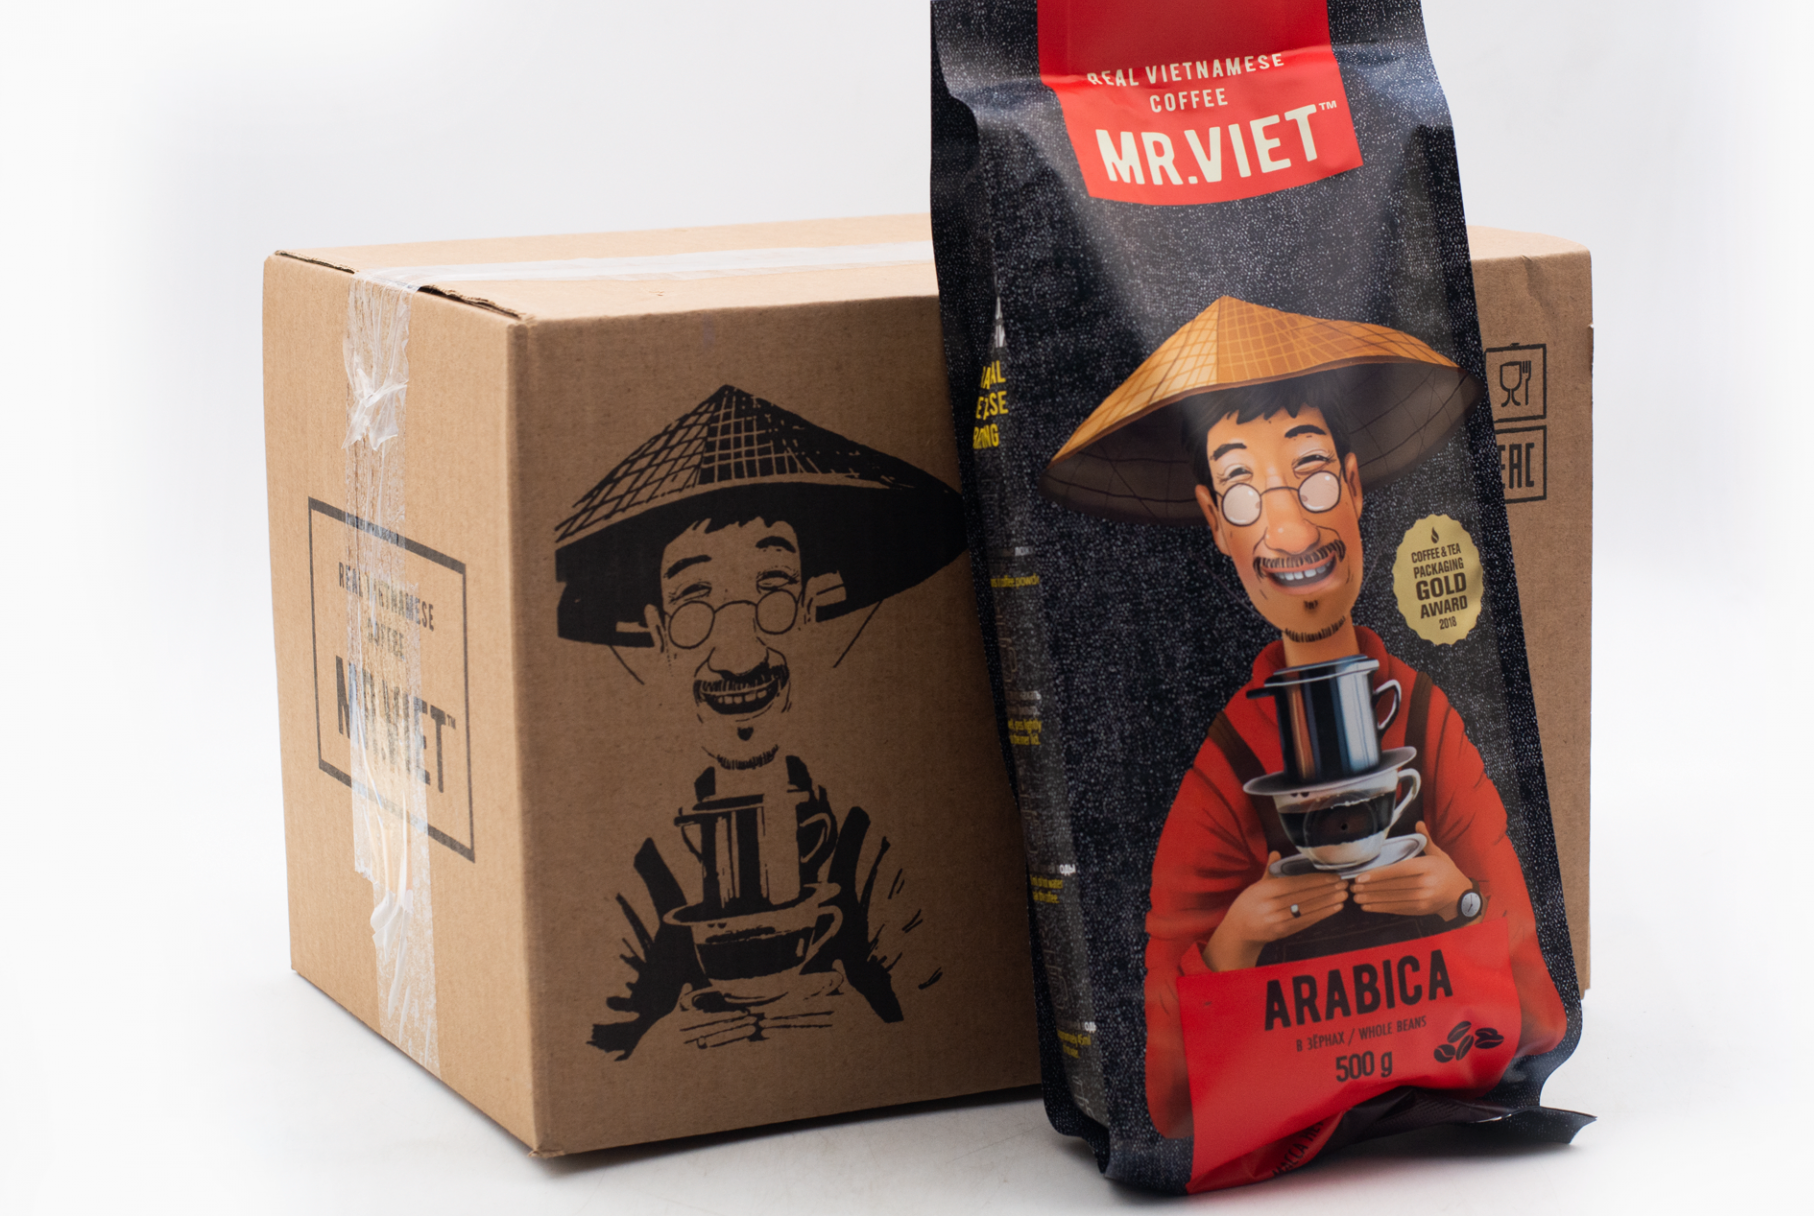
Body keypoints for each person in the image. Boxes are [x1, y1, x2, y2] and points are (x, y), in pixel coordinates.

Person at [1039, 297, 1568, 1140]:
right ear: (1216, 523)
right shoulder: (1223, 773)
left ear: (1353, 489)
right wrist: (1235, 940)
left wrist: (1458, 899)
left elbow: (1537, 1018)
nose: (1288, 528)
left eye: (1312, 474)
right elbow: (1168, 1102)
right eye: (1244, 493)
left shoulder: (1427, 723)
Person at [552, 385, 969, 1054]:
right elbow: (591, 1055)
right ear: (658, 635)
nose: (740, 652)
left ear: (806, 615)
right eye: (696, 605)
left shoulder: (860, 854)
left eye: (771, 593)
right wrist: (672, 1049)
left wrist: (859, 1032)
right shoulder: (650, 872)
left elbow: (949, 1024)